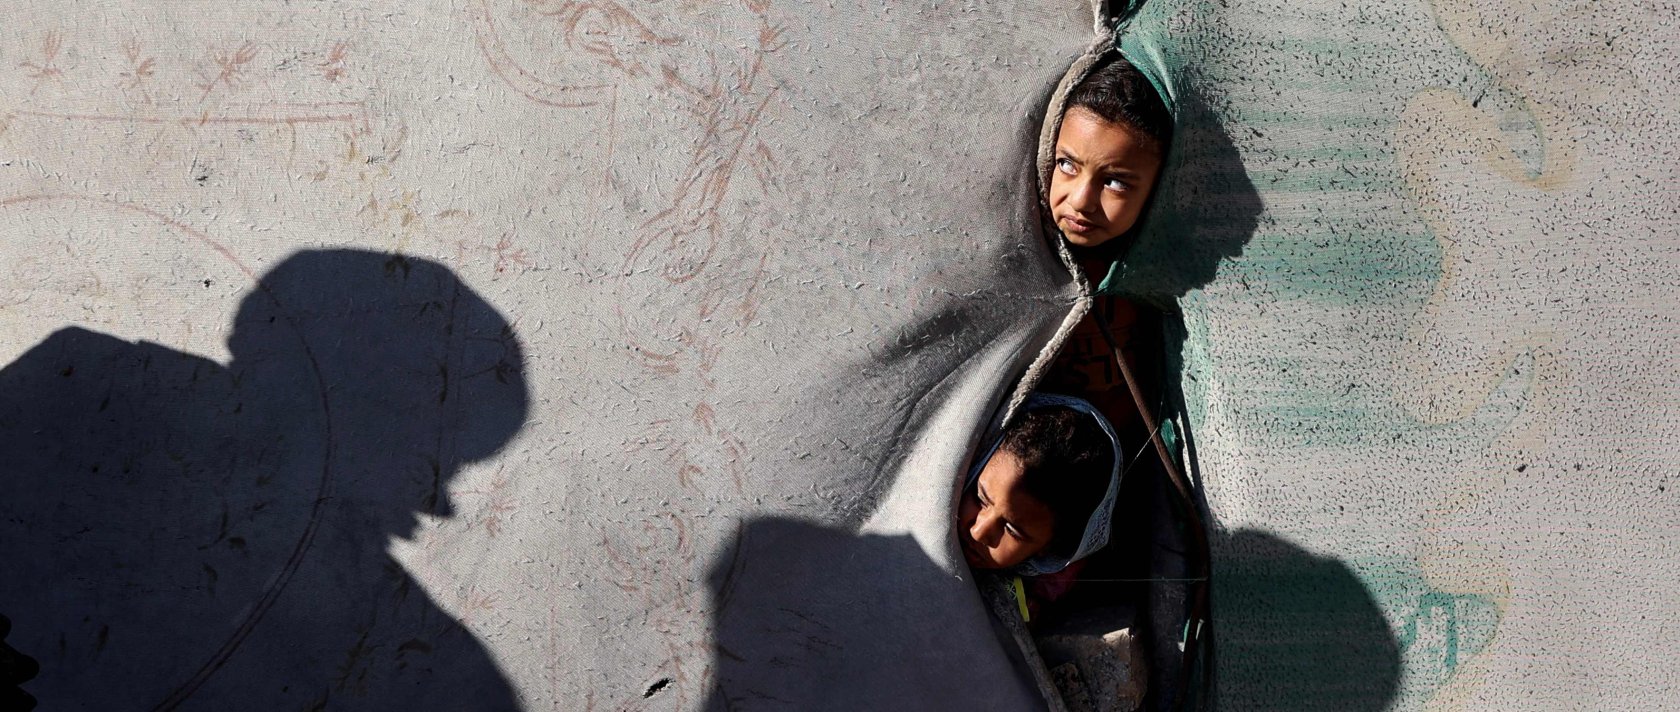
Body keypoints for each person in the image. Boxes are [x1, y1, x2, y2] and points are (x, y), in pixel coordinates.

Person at [1040, 55, 1175, 436]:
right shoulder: (1030, 256)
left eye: (1115, 182)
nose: (1081, 200)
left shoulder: (1157, 274)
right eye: (1067, 164)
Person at [957, 394, 1122, 620]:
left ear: (1050, 546)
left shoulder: (1043, 592)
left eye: (1011, 530)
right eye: (980, 499)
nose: (979, 531)